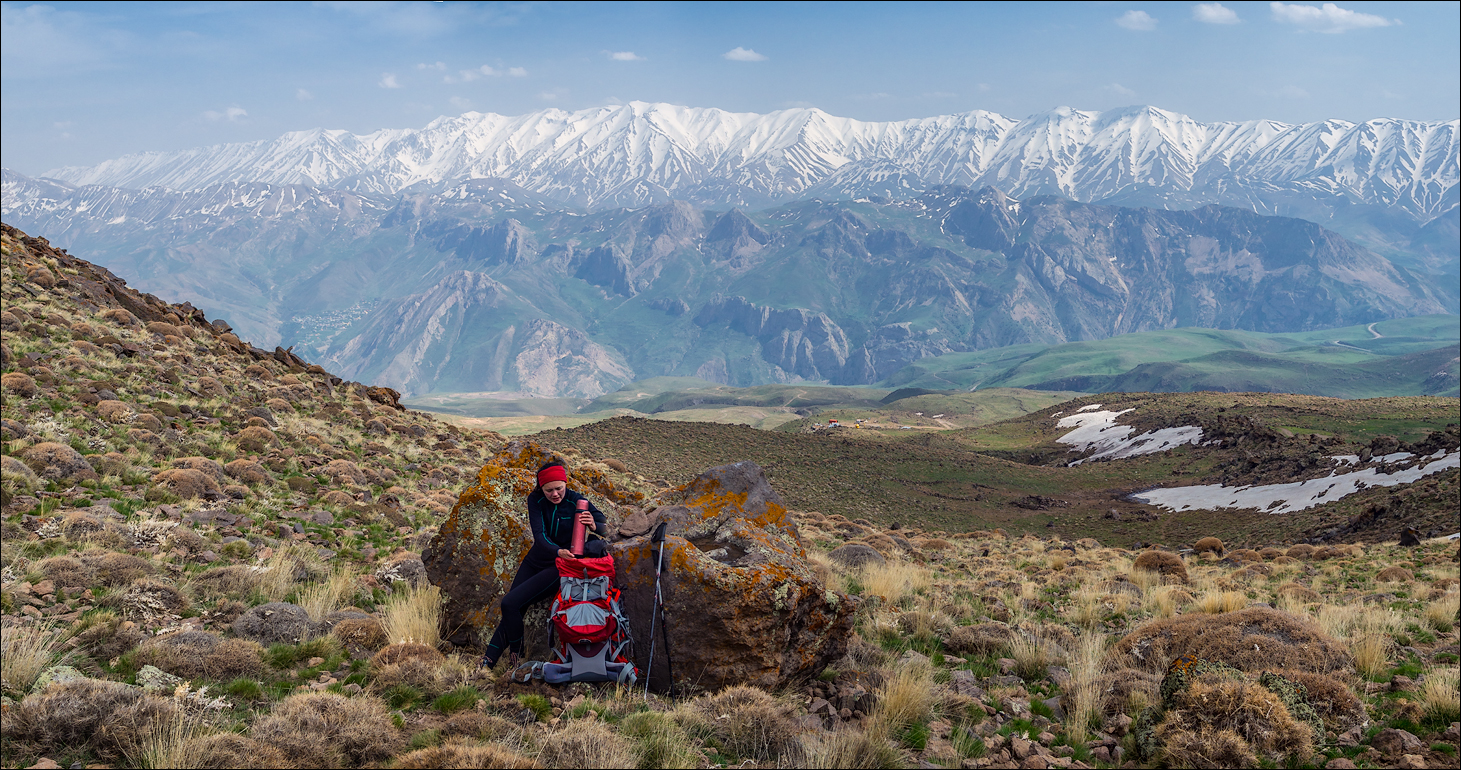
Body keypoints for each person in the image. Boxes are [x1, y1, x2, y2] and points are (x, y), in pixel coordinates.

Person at [480, 460, 607, 669]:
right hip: (537, 559)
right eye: (549, 490)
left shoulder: (577, 501)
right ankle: (489, 662)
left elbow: (605, 526)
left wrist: (593, 524)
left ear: (565, 484)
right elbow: (539, 536)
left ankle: (515, 657)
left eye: (559, 488)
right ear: (541, 488)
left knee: (509, 603)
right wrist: (557, 550)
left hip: (559, 566)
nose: (555, 494)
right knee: (513, 607)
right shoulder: (535, 499)